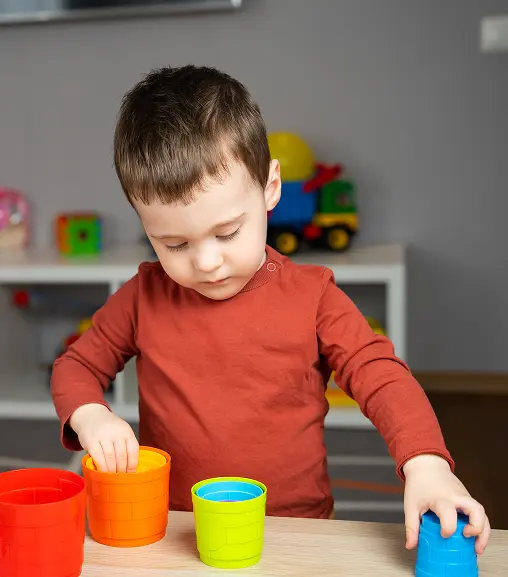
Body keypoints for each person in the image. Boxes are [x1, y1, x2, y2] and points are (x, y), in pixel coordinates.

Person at [50, 64, 490, 554]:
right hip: (175, 530)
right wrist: (91, 414)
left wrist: (425, 463)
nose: (207, 262)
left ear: (270, 186)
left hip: (290, 531)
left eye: (227, 232)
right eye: (173, 244)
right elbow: (76, 365)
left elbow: (381, 374)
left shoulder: (313, 297)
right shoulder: (143, 295)